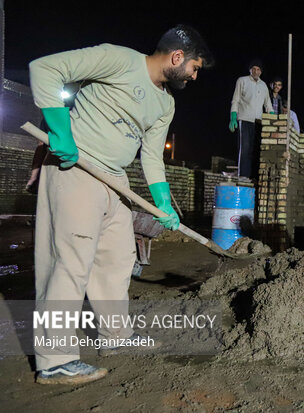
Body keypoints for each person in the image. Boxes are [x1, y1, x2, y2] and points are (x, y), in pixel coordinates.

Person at [29, 24, 212, 385]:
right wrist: (60, 131)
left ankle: (116, 338)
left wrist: (163, 201)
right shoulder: (117, 59)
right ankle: (55, 361)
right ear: (178, 57)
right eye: (194, 68)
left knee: (118, 257)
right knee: (70, 261)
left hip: (116, 180)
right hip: (76, 166)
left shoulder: (166, 103)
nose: (193, 76)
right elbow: (44, 69)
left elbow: (151, 157)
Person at [229, 60, 274, 178]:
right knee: (244, 150)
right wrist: (233, 117)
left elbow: (268, 104)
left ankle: (253, 177)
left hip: (258, 122)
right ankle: (243, 176)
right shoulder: (242, 81)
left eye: (258, 69)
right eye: (253, 68)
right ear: (250, 70)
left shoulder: (263, 85)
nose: (256, 71)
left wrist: (273, 119)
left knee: (254, 151)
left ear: (261, 72)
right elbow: (236, 99)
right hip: (244, 119)